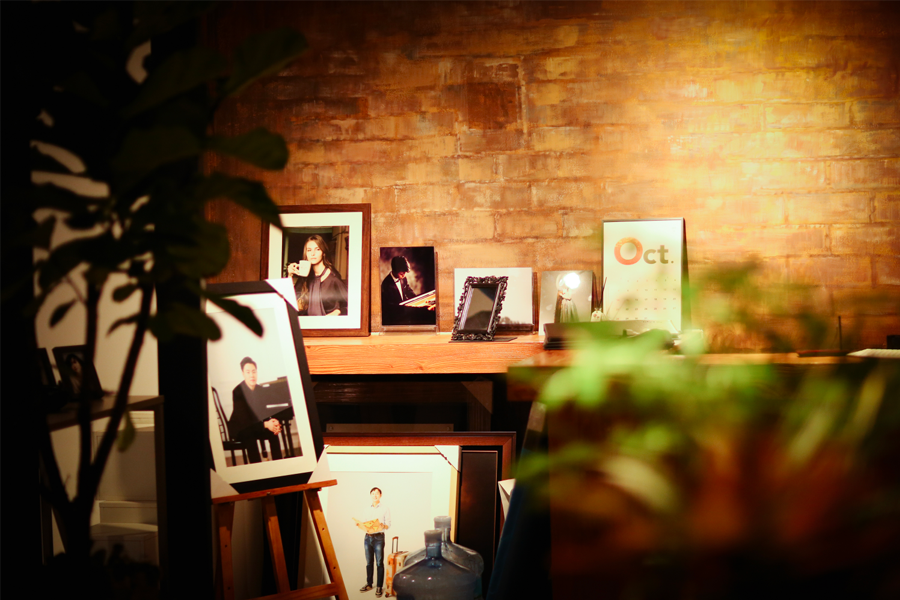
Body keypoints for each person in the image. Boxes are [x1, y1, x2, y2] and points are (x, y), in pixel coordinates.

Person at [228, 357, 283, 464]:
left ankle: (279, 463)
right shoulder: (237, 391)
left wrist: (273, 422)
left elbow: (263, 413)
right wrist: (266, 425)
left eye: (254, 371)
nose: (251, 375)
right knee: (249, 436)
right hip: (241, 428)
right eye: (248, 372)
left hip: (256, 426)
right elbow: (244, 421)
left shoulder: (260, 390)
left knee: (272, 433)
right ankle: (257, 467)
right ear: (243, 373)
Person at [287, 234, 348, 316]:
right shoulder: (305, 277)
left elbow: (353, 305)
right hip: (308, 324)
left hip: (328, 325)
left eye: (317, 249)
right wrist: (290, 275)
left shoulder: (333, 278)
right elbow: (291, 302)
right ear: (306, 254)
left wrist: (337, 312)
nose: (313, 253)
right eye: (309, 250)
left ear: (323, 252)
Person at [353, 487, 391, 597]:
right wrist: (359, 525)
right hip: (367, 538)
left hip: (379, 538)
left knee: (379, 562)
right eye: (373, 493)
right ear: (370, 495)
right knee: (369, 562)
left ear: (380, 495)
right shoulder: (366, 509)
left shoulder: (385, 509)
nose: (375, 495)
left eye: (377, 493)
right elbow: (365, 524)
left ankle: (379, 586)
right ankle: (369, 584)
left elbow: (388, 524)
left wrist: (382, 525)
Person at [380, 256, 435, 326]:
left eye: (405, 273)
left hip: (404, 310)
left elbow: (408, 290)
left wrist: (417, 301)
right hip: (396, 317)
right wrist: (414, 309)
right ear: (394, 270)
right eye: (402, 274)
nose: (404, 275)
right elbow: (390, 308)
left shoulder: (403, 278)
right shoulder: (386, 284)